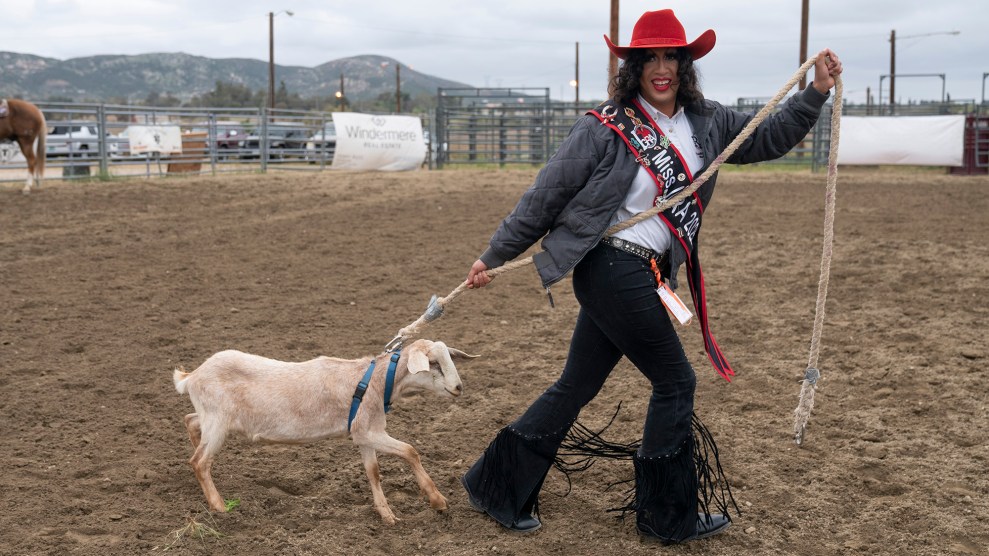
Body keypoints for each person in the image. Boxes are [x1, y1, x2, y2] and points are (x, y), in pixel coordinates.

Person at [460, 7, 842, 545]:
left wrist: (816, 92)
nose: (661, 68)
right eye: (650, 58)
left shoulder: (708, 120)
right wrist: (494, 255)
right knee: (676, 380)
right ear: (633, 66)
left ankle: (495, 486)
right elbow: (548, 194)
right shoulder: (605, 127)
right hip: (611, 268)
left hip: (647, 274)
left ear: (685, 65)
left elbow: (767, 139)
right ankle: (665, 515)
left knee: (577, 384)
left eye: (672, 57)